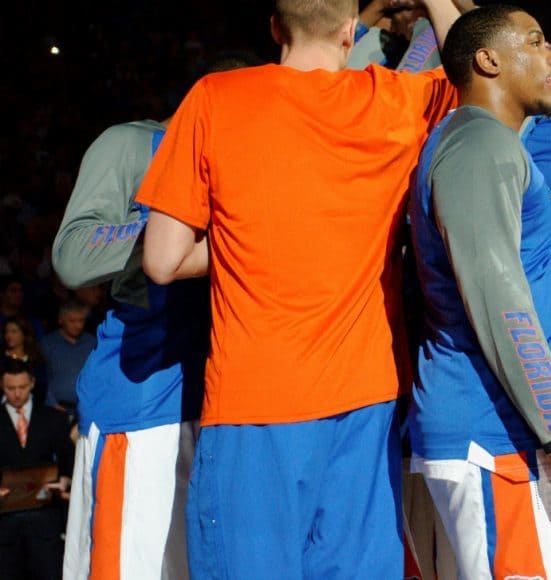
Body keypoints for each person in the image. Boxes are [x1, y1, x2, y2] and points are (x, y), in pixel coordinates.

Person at [138, 0, 461, 576]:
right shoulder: (390, 100)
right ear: (347, 32)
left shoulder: (215, 96)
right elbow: (479, 62)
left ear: (274, 27)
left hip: (254, 400)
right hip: (365, 395)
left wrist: (249, 238)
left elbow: (161, 260)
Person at [408, 5, 551, 578]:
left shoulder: (490, 142)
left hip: (513, 425)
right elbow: (498, 300)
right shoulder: (478, 147)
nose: (549, 53)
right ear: (489, 59)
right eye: (534, 41)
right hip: (499, 431)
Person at [52, 53, 263, 579]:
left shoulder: (245, 160)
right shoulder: (128, 144)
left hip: (218, 407)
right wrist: (171, 236)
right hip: (140, 409)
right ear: (205, 100)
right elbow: (73, 254)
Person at [0, 359, 73, 580]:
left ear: (32, 383)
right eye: (10, 388)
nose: (17, 394)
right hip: (5, 524)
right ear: (2, 386)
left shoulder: (54, 419)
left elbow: (68, 461)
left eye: (22, 387)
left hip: (44, 522)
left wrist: (65, 480)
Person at [39, 298, 95, 412]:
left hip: (87, 408)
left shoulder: (91, 342)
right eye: (72, 321)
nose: (78, 325)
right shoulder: (48, 343)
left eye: (81, 321)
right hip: (56, 408)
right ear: (61, 320)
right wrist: (51, 402)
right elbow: (43, 376)